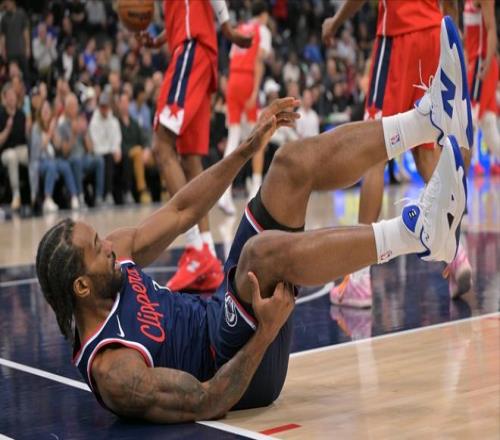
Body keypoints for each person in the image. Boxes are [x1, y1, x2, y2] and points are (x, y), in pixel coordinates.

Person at [36, 17, 470, 422]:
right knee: (259, 255)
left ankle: (429, 119)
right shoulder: (115, 371)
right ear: (81, 286)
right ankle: (420, 234)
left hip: (222, 312)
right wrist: (265, 332)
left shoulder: (115, 257)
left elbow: (182, 210)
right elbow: (207, 399)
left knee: (290, 163)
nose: (109, 247)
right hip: (238, 368)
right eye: (97, 250)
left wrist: (246, 149)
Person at [322, 0, 473, 307]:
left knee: (373, 153)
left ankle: (359, 277)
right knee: (426, 151)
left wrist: (335, 22)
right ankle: (457, 253)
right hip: (433, 34)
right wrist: (451, 35)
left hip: (398, 34)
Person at [137, 0, 253, 292]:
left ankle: (194, 249)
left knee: (162, 146)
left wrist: (226, 26)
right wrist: (160, 39)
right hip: (200, 53)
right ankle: (208, 257)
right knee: (190, 159)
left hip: (191, 47)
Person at [218, 1, 272, 216]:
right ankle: (255, 189)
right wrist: (255, 90)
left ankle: (224, 193)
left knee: (233, 137)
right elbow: (258, 61)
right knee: (258, 136)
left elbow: (231, 58)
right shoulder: (262, 30)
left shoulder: (240, 28)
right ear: (264, 15)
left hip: (233, 81)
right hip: (247, 81)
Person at [463, 0, 500, 176]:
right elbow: (468, 38)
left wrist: (487, 62)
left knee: (470, 122)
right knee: (489, 127)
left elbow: (492, 29)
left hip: (482, 65)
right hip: (473, 64)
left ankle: (462, 175)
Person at [30, 100, 79, 213]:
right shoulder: (36, 128)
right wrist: (50, 132)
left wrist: (55, 133)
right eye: (44, 110)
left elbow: (58, 146)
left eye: (48, 110)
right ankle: (47, 199)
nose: (46, 113)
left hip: (52, 159)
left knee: (65, 165)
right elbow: (39, 148)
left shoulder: (52, 126)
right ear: (40, 113)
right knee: (51, 166)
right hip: (39, 162)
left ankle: (74, 196)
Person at [58, 93, 105, 208]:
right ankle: (80, 196)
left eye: (76, 105)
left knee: (99, 160)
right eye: (72, 106)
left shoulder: (81, 122)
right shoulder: (62, 126)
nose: (75, 108)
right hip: (70, 159)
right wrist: (74, 135)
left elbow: (90, 149)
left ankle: (99, 197)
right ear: (66, 108)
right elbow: (64, 152)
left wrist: (84, 133)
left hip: (84, 158)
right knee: (77, 160)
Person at [88, 91, 122, 205]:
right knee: (107, 159)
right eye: (102, 106)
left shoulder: (113, 121)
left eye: (106, 106)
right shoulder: (94, 122)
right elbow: (95, 143)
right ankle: (107, 193)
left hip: (110, 152)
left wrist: (117, 149)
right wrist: (111, 151)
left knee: (123, 156)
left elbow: (116, 138)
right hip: (99, 152)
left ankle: (125, 192)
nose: (104, 109)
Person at [0, 82, 28, 210]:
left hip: (20, 149)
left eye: (13, 95)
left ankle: (36, 194)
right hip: (5, 152)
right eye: (9, 95)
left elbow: (25, 139)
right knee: (12, 156)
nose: (12, 98)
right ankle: (16, 195)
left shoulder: (21, 115)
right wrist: (7, 129)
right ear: (4, 98)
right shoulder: (1, 115)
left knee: (31, 154)